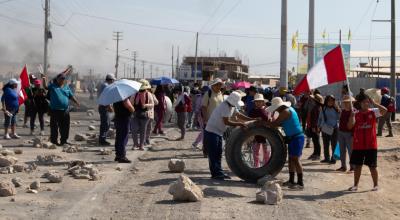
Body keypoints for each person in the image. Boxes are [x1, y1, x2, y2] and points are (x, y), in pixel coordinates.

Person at [204, 91, 254, 180]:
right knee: (214, 154)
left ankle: (219, 172)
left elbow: (238, 115)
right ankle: (216, 174)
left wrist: (251, 119)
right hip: (212, 132)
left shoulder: (231, 106)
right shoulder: (225, 106)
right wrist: (240, 124)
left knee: (218, 153)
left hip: (218, 132)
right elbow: (226, 122)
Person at [348, 93, 387, 191]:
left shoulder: (373, 112)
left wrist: (375, 103)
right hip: (358, 145)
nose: (367, 103)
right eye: (365, 102)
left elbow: (385, 110)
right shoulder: (355, 113)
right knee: (357, 166)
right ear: (360, 103)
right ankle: (355, 185)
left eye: (368, 101)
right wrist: (352, 116)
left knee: (372, 166)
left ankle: (376, 185)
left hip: (371, 145)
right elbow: (349, 126)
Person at [265, 97, 305, 189]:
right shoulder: (288, 110)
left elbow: (275, 124)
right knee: (291, 159)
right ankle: (291, 180)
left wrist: (263, 123)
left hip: (297, 137)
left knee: (295, 159)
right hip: (293, 137)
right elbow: (281, 123)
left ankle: (300, 183)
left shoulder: (285, 112)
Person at [44, 73, 79, 146]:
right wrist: (43, 78)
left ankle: (64, 141)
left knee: (65, 126)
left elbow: (71, 96)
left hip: (65, 110)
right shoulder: (53, 86)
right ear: (57, 79)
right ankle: (54, 141)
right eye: (60, 78)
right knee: (54, 126)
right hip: (55, 110)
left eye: (63, 79)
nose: (62, 80)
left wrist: (76, 102)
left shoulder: (66, 87)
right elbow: (45, 87)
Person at [202, 78, 224, 156]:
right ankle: (206, 151)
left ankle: (215, 151)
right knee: (207, 136)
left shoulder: (221, 93)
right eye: (217, 84)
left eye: (220, 84)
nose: (218, 86)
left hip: (218, 120)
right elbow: (204, 107)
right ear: (213, 85)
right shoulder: (208, 93)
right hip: (209, 119)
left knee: (217, 136)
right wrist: (205, 119)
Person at [130, 79, 154, 150]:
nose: (142, 91)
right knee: (134, 129)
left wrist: (146, 105)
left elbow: (152, 104)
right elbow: (131, 103)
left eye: (143, 89)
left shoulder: (148, 94)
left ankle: (141, 145)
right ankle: (135, 144)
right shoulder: (134, 94)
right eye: (141, 90)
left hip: (145, 115)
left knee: (143, 130)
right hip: (135, 114)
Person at [249, 93, 271, 167]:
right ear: (254, 102)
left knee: (266, 152)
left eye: (260, 101)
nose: (258, 103)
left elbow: (268, 120)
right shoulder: (252, 111)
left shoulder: (266, 110)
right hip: (255, 134)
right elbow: (249, 120)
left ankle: (266, 166)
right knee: (256, 152)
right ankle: (256, 166)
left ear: (263, 102)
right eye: (257, 101)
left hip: (265, 134)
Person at [318, 95, 340, 164]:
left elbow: (340, 118)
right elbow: (320, 118)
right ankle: (326, 158)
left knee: (334, 144)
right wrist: (318, 126)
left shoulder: (337, 109)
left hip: (334, 129)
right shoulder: (323, 108)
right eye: (329, 100)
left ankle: (334, 159)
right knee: (325, 144)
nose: (330, 102)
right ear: (326, 101)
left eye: (332, 100)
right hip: (325, 129)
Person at [113, 96, 135, 163]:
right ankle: (122, 156)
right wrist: (133, 109)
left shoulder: (115, 98)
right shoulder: (124, 98)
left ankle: (118, 155)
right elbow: (129, 107)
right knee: (123, 137)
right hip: (124, 119)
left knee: (119, 137)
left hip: (118, 118)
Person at [337, 95, 355, 172]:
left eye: (348, 102)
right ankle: (343, 166)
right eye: (345, 102)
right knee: (342, 150)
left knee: (351, 151)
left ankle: (353, 167)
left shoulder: (354, 112)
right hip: (341, 132)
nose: (346, 104)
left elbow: (354, 124)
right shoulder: (343, 111)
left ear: (352, 103)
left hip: (350, 134)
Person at [97, 73, 116, 146]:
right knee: (105, 124)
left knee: (106, 124)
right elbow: (105, 98)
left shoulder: (103, 85)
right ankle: (102, 140)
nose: (113, 82)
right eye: (113, 80)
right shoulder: (106, 86)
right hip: (105, 107)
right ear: (111, 80)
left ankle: (103, 138)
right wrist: (109, 106)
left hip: (103, 106)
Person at [307, 94, 324, 161]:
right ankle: (315, 153)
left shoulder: (317, 108)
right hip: (313, 126)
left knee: (316, 141)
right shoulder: (315, 107)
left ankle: (318, 154)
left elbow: (316, 119)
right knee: (314, 140)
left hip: (315, 127)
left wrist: (314, 127)